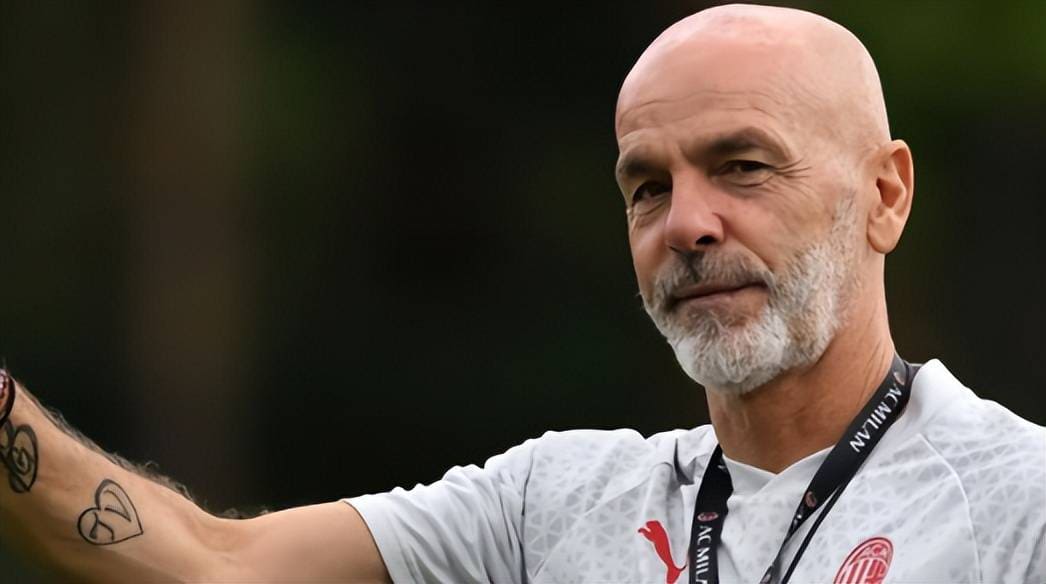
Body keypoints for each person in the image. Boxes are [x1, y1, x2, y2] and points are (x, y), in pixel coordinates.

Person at [0, 4, 1042, 583]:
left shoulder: (1019, 504)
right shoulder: (556, 502)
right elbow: (208, 562)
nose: (686, 224)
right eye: (647, 186)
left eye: (743, 166)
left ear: (884, 195)